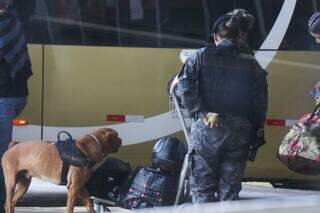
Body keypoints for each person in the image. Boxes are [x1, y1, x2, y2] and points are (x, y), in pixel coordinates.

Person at [174, 9, 268, 203]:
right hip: (240, 133)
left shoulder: (199, 57)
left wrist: (200, 112)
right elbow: (260, 101)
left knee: (202, 189)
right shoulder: (251, 63)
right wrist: (255, 129)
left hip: (207, 129)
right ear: (239, 36)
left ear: (216, 36)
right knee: (230, 192)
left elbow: (184, 87)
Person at [0, 1, 32, 211]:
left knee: (1, 153)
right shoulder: (12, 21)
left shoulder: (4, 24)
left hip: (6, 97)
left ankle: (3, 203)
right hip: (16, 96)